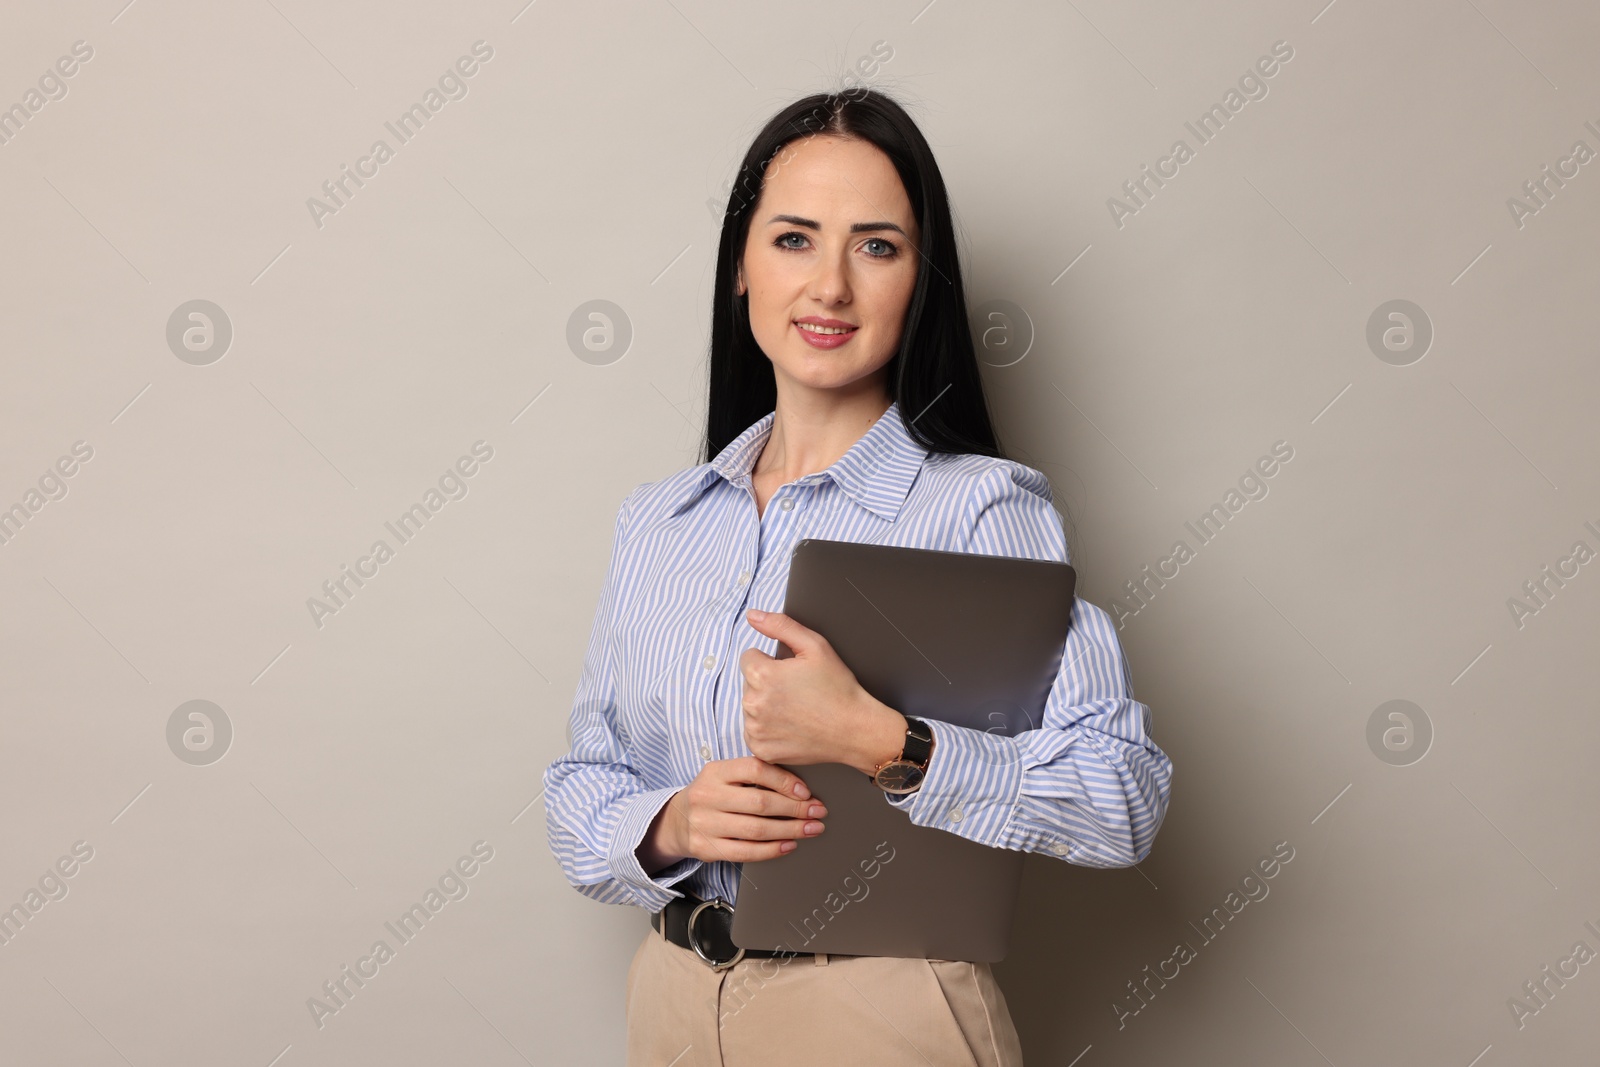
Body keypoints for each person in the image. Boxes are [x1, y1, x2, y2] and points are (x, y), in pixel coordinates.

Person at [541, 87, 1174, 1067]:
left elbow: (1121, 797)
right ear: (740, 269)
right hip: (670, 1003)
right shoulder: (657, 522)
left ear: (921, 281)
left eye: (876, 246)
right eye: (794, 238)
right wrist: (668, 822)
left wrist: (879, 738)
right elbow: (584, 778)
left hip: (877, 1011)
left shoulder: (981, 512)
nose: (830, 284)